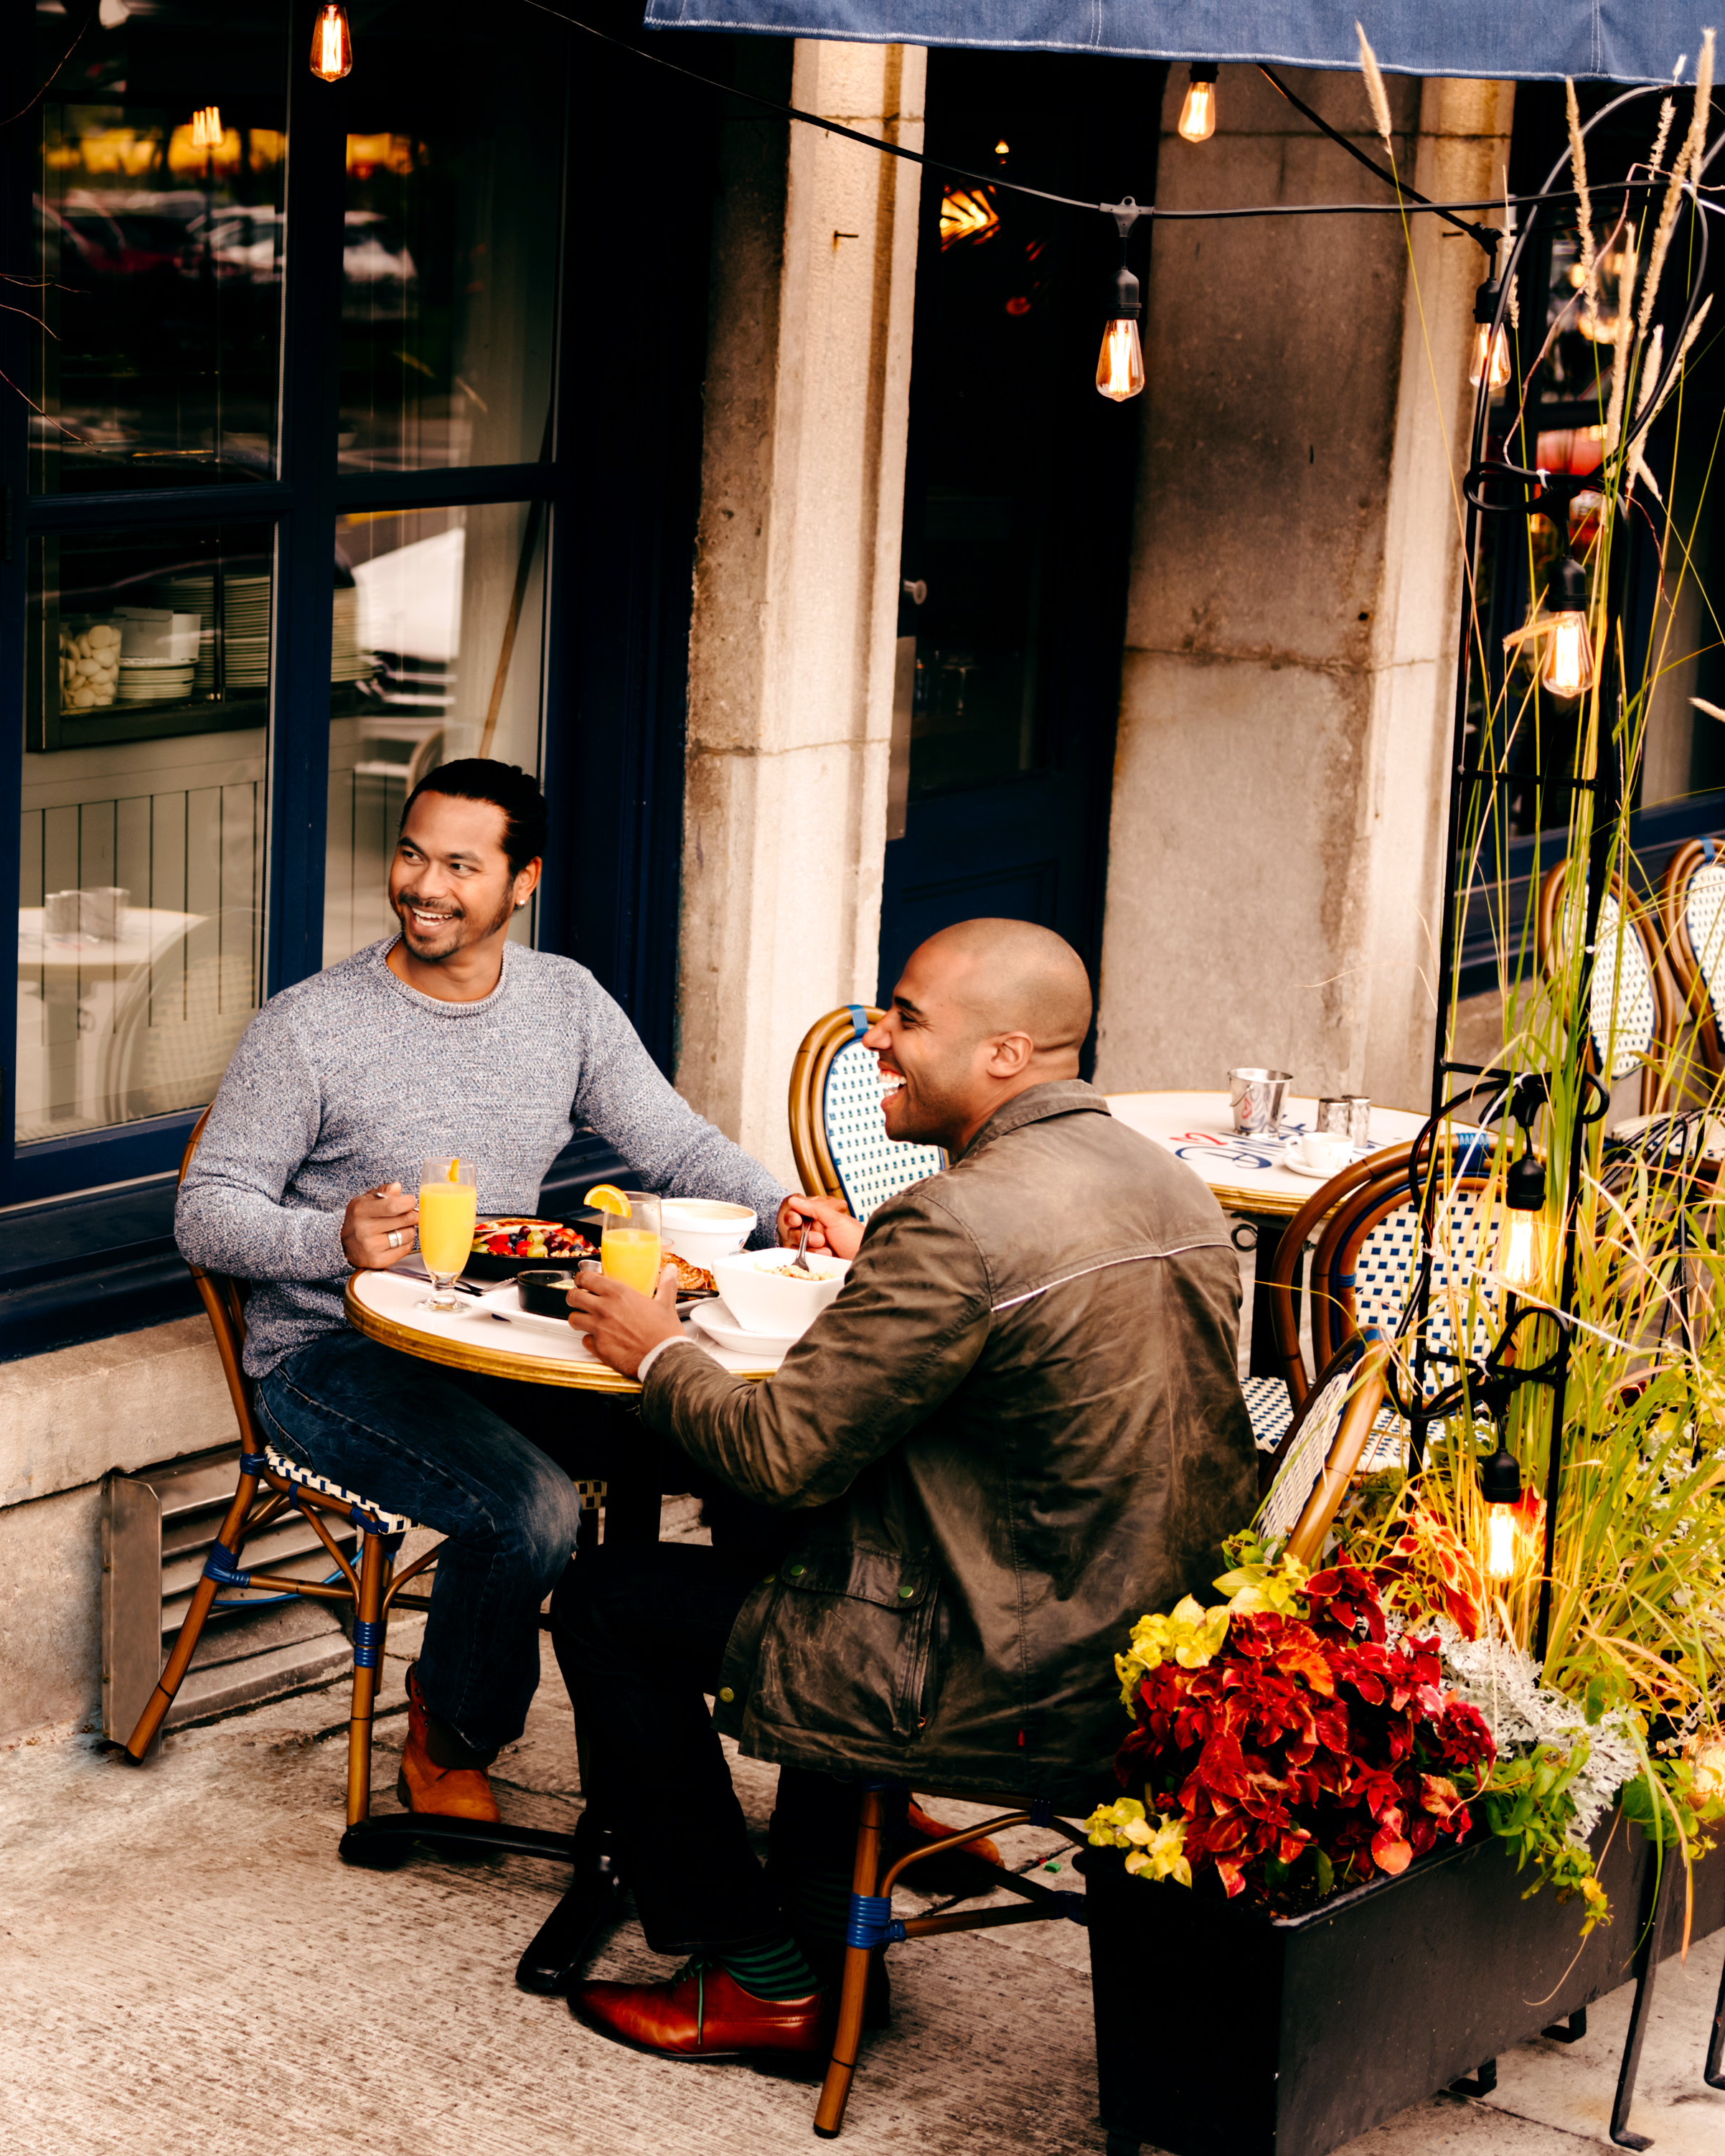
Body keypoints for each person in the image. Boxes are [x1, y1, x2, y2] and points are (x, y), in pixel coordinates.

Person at [551, 919, 1261, 2071]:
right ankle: (838, 1928)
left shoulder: (959, 1223)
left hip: (1003, 1667)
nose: (876, 1037)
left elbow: (779, 1448)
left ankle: (759, 1976)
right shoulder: (1164, 1177)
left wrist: (655, 1352)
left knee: (606, 1598)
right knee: (794, 1540)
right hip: (1150, 1643)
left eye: (907, 1018)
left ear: (1005, 1053)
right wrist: (883, 1248)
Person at [173, 757, 825, 1825]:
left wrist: (778, 1207)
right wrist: (331, 1238)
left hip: (494, 1337)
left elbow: (671, 1143)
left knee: (758, 1448)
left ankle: (801, 1731)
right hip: (329, 1355)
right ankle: (451, 1731)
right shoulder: (310, 1025)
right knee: (529, 1513)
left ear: (523, 881)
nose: (425, 885)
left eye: (461, 866)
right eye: (412, 853)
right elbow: (206, 1210)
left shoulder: (564, 1003)